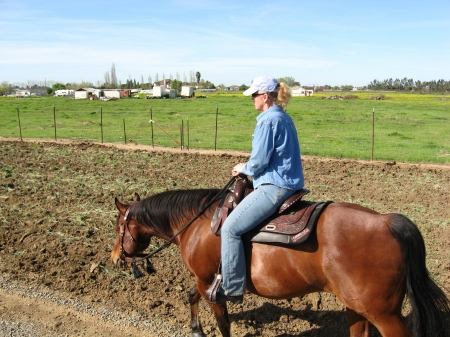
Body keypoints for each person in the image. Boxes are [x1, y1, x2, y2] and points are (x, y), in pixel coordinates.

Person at [214, 75, 305, 304]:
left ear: (265, 97)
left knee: (230, 229)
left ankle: (233, 287)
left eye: (255, 95)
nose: (252, 99)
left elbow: (260, 161)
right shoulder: (284, 117)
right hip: (289, 183)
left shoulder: (267, 120)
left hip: (274, 186)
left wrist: (242, 168)